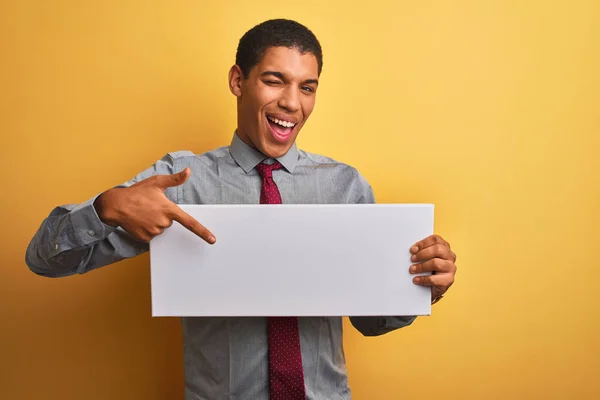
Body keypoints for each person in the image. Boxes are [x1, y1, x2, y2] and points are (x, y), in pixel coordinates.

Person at [25, 18, 457, 400]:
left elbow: (373, 320)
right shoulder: (180, 181)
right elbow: (43, 260)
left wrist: (422, 286)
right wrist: (107, 207)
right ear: (237, 80)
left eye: (307, 87)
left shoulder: (344, 186)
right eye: (274, 80)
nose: (292, 102)